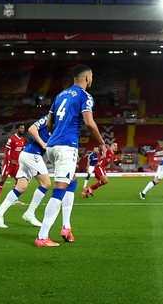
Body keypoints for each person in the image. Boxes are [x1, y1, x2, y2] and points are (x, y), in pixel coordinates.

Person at [34, 64, 106, 246]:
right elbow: (90, 123)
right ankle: (42, 237)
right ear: (87, 78)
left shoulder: (60, 95)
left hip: (52, 145)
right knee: (59, 188)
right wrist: (102, 143)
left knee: (72, 181)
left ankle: (66, 227)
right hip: (66, 146)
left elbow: (49, 124)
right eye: (92, 77)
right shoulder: (85, 96)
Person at [0, 113, 52, 228]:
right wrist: (43, 144)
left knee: (21, 187)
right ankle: (30, 213)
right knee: (46, 183)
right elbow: (32, 129)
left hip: (25, 154)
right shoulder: (51, 117)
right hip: (32, 154)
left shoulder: (58, 124)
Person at [0, 123, 27, 205]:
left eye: (23, 128)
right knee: (2, 180)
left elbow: (22, 151)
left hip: (17, 164)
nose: (23, 130)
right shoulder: (12, 139)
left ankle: (14, 199)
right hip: (8, 164)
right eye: (21, 128)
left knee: (18, 181)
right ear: (17, 129)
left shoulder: (22, 140)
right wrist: (10, 160)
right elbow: (6, 151)